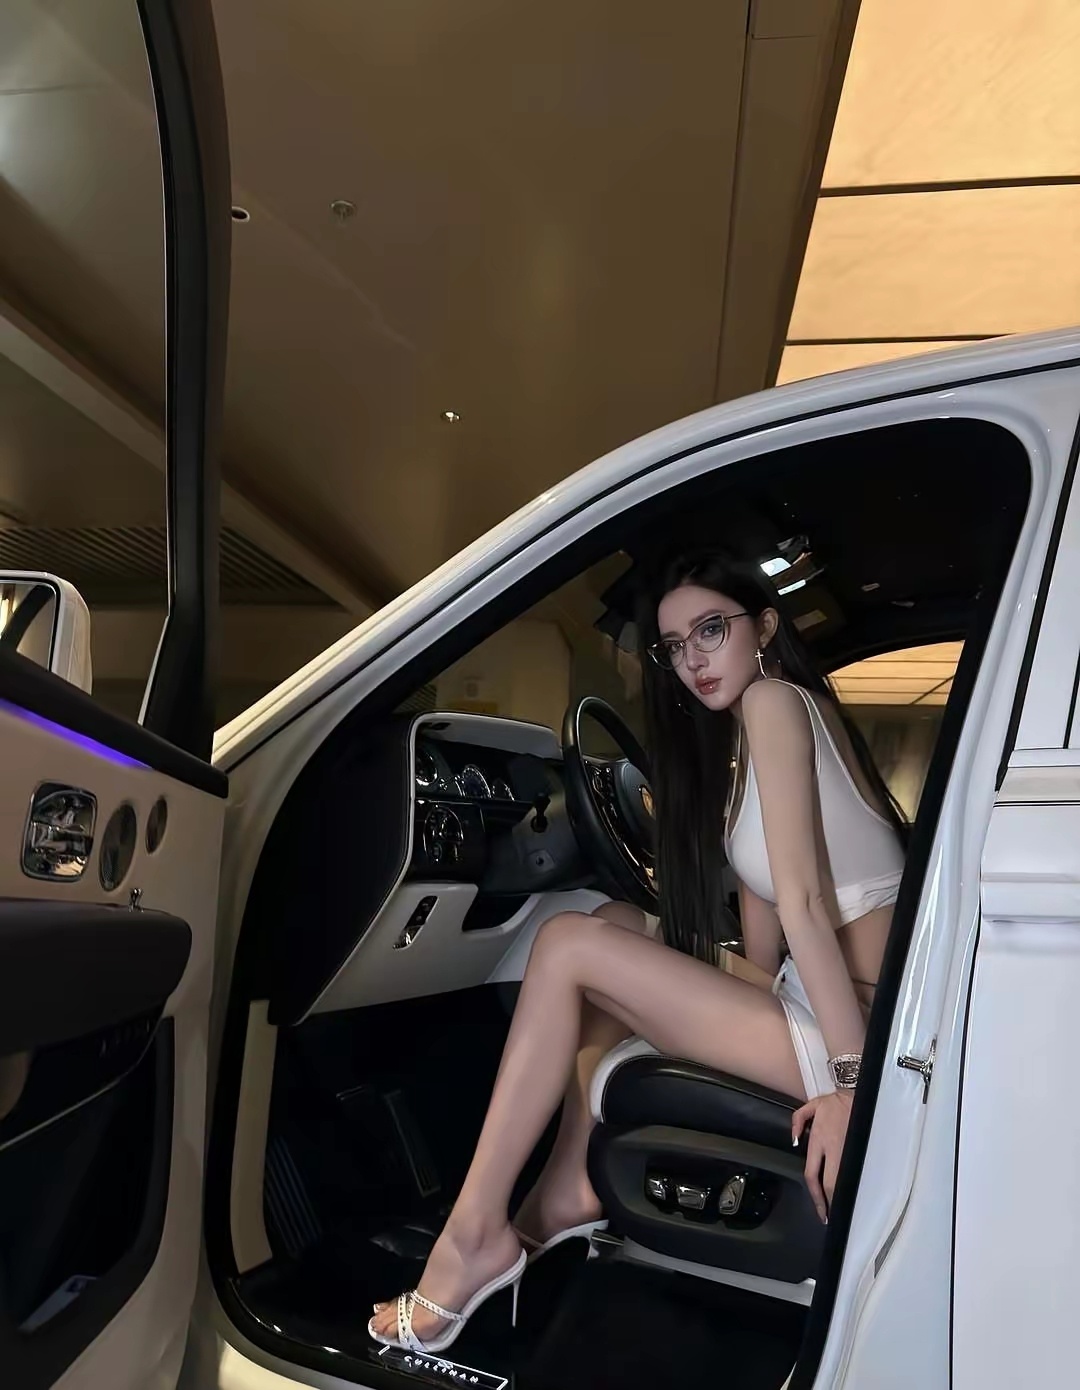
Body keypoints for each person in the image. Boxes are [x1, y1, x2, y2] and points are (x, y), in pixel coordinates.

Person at [370, 550, 907, 1355]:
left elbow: (801, 905)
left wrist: (849, 1086)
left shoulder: (774, 703)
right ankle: (569, 1184)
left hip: (864, 1031)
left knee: (565, 945)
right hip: (821, 997)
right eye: (675, 645)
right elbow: (766, 933)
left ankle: (474, 1234)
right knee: (614, 921)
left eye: (711, 630)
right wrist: (680, 972)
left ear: (764, 627)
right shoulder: (758, 733)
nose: (694, 660)